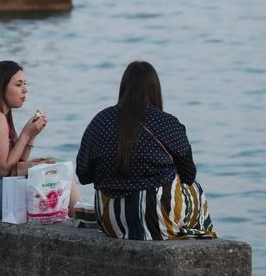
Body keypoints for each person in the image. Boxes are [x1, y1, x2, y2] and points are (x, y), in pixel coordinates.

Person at [76, 61, 216, 240]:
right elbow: (188, 175)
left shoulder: (100, 121)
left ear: (123, 88)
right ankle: (202, 240)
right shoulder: (167, 123)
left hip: (112, 222)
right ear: (155, 90)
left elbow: (83, 175)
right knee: (195, 188)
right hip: (158, 220)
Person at [0, 61, 81, 216]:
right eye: (19, 85)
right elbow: (3, 170)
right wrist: (25, 134)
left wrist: (31, 136)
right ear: (0, 89)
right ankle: (83, 222)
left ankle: (78, 220)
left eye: (25, 84)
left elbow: (16, 166)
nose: (25, 89)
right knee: (62, 181)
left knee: (58, 178)